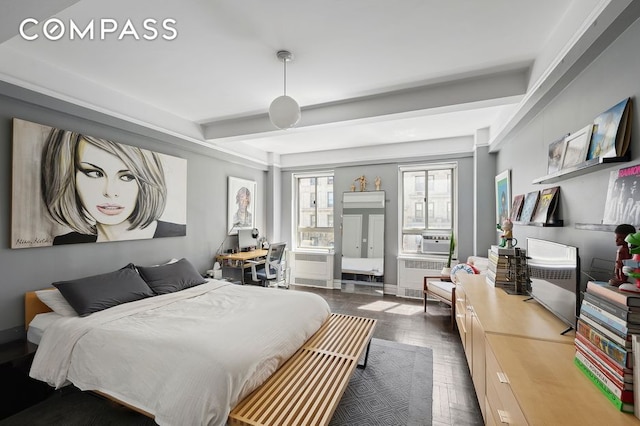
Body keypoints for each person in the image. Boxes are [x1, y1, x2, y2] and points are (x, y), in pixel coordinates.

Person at [41, 128, 185, 245]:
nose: (110, 192)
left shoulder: (179, 234)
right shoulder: (67, 243)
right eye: (95, 173)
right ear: (69, 175)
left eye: (127, 177)